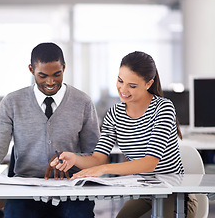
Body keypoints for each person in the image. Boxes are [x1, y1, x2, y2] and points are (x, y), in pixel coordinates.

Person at [0, 42, 100, 218]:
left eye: (57, 74)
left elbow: (95, 155)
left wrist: (69, 160)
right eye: (42, 76)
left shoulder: (83, 102)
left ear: (64, 67)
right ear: (31, 70)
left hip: (71, 188)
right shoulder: (12, 102)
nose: (50, 82)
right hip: (25, 189)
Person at [50, 51, 198, 218]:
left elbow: (150, 163)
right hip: (144, 194)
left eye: (132, 86)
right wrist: (74, 158)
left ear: (148, 84)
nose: (123, 89)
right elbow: (99, 158)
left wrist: (103, 169)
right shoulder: (114, 114)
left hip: (175, 194)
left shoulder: (163, 108)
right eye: (120, 81)